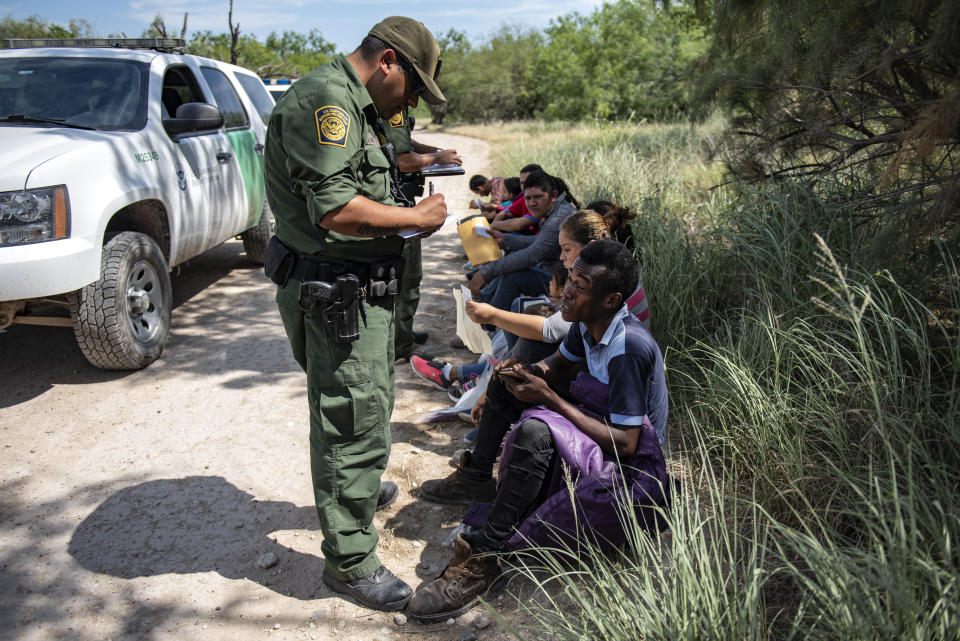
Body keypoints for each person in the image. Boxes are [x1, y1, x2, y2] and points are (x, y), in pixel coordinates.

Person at [263, 16, 448, 612]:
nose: (413, 101)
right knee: (352, 417)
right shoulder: (327, 101)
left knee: (366, 407)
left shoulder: (361, 104)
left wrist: (415, 164)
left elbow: (373, 167)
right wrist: (417, 220)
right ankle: (349, 562)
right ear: (388, 60)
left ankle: (357, 493)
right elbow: (336, 209)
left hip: (365, 287)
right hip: (338, 291)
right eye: (414, 87)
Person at [406, 240, 670, 622]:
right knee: (505, 379)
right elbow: (558, 366)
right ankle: (478, 476)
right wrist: (528, 373)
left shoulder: (627, 347)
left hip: (630, 466)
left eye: (580, 286)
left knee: (536, 432)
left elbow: (629, 444)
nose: (566, 292)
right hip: (599, 424)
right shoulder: (589, 323)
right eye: (570, 280)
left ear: (611, 300)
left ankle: (486, 556)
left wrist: (550, 399)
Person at [379, 107, 463, 360]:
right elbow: (402, 160)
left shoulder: (388, 105)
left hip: (396, 207)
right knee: (407, 279)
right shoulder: (391, 107)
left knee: (403, 280)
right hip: (398, 210)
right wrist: (436, 158)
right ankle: (401, 347)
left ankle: (402, 333)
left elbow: (405, 143)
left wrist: (434, 152)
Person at [468, 171, 576, 312]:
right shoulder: (555, 210)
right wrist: (506, 239)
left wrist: (485, 273)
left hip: (565, 282)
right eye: (528, 198)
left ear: (553, 195)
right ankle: (483, 307)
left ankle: (487, 322)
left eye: (537, 197)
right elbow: (540, 241)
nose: (532, 203)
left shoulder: (560, 216)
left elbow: (533, 254)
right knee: (511, 268)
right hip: (553, 273)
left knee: (515, 276)